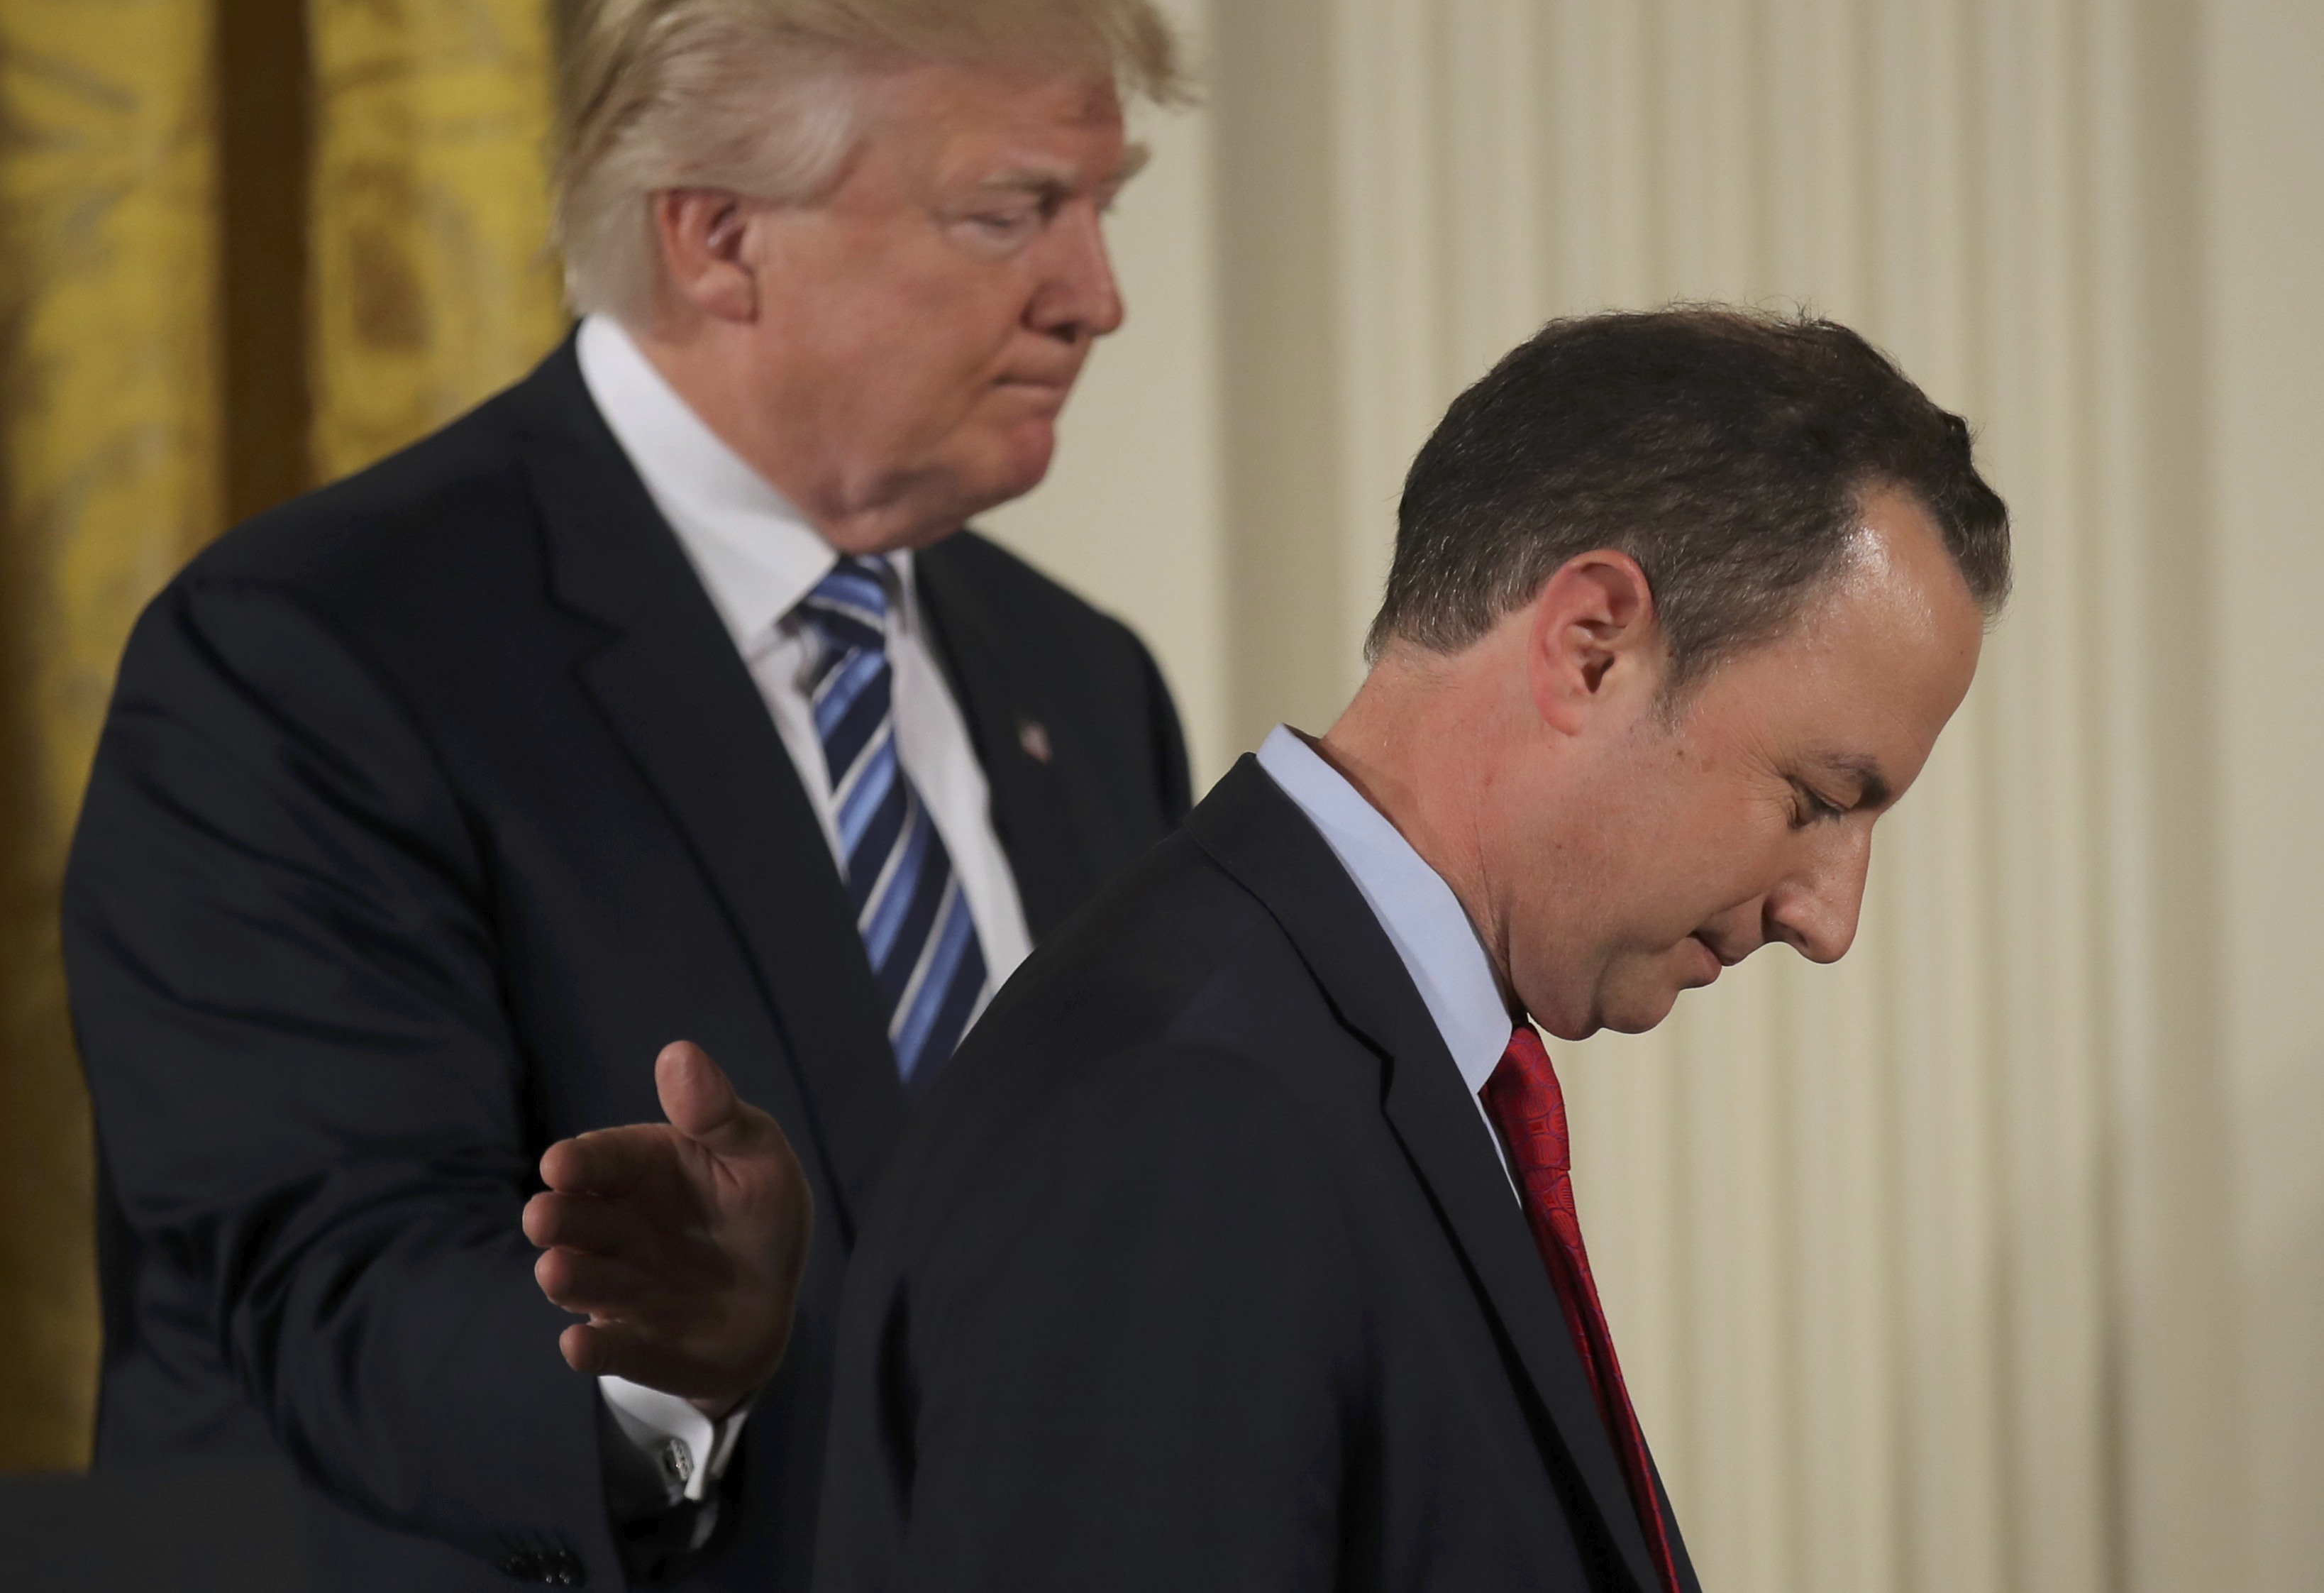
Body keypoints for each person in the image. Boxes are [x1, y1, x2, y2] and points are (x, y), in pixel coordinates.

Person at [64, 0, 1192, 1592]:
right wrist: (664, 1362)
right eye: (1011, 212)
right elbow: (324, 1292)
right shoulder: (307, 655)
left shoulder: (1082, 679)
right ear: (720, 236)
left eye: (1100, 207)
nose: (1093, 295)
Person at [546, 307, 2010, 1591]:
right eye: (1818, 799)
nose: (1831, 918)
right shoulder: (1185, 1116)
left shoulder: (1327, 1056)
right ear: (1592, 644)